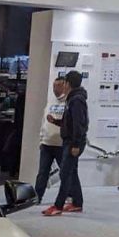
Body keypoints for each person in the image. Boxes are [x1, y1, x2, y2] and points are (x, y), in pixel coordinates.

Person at [42, 70, 88, 216]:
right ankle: (77, 203)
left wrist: (76, 144)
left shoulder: (76, 100)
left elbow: (79, 124)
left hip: (73, 142)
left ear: (68, 83)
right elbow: (70, 122)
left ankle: (58, 205)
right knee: (72, 172)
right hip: (70, 140)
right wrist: (55, 121)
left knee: (65, 173)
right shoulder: (73, 98)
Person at [34, 76, 66, 202]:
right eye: (54, 86)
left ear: (65, 86)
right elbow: (44, 122)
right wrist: (41, 139)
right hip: (47, 143)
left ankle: (69, 195)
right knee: (42, 172)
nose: (55, 89)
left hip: (62, 145)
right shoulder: (50, 102)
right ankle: (37, 196)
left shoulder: (69, 103)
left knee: (66, 172)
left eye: (58, 86)